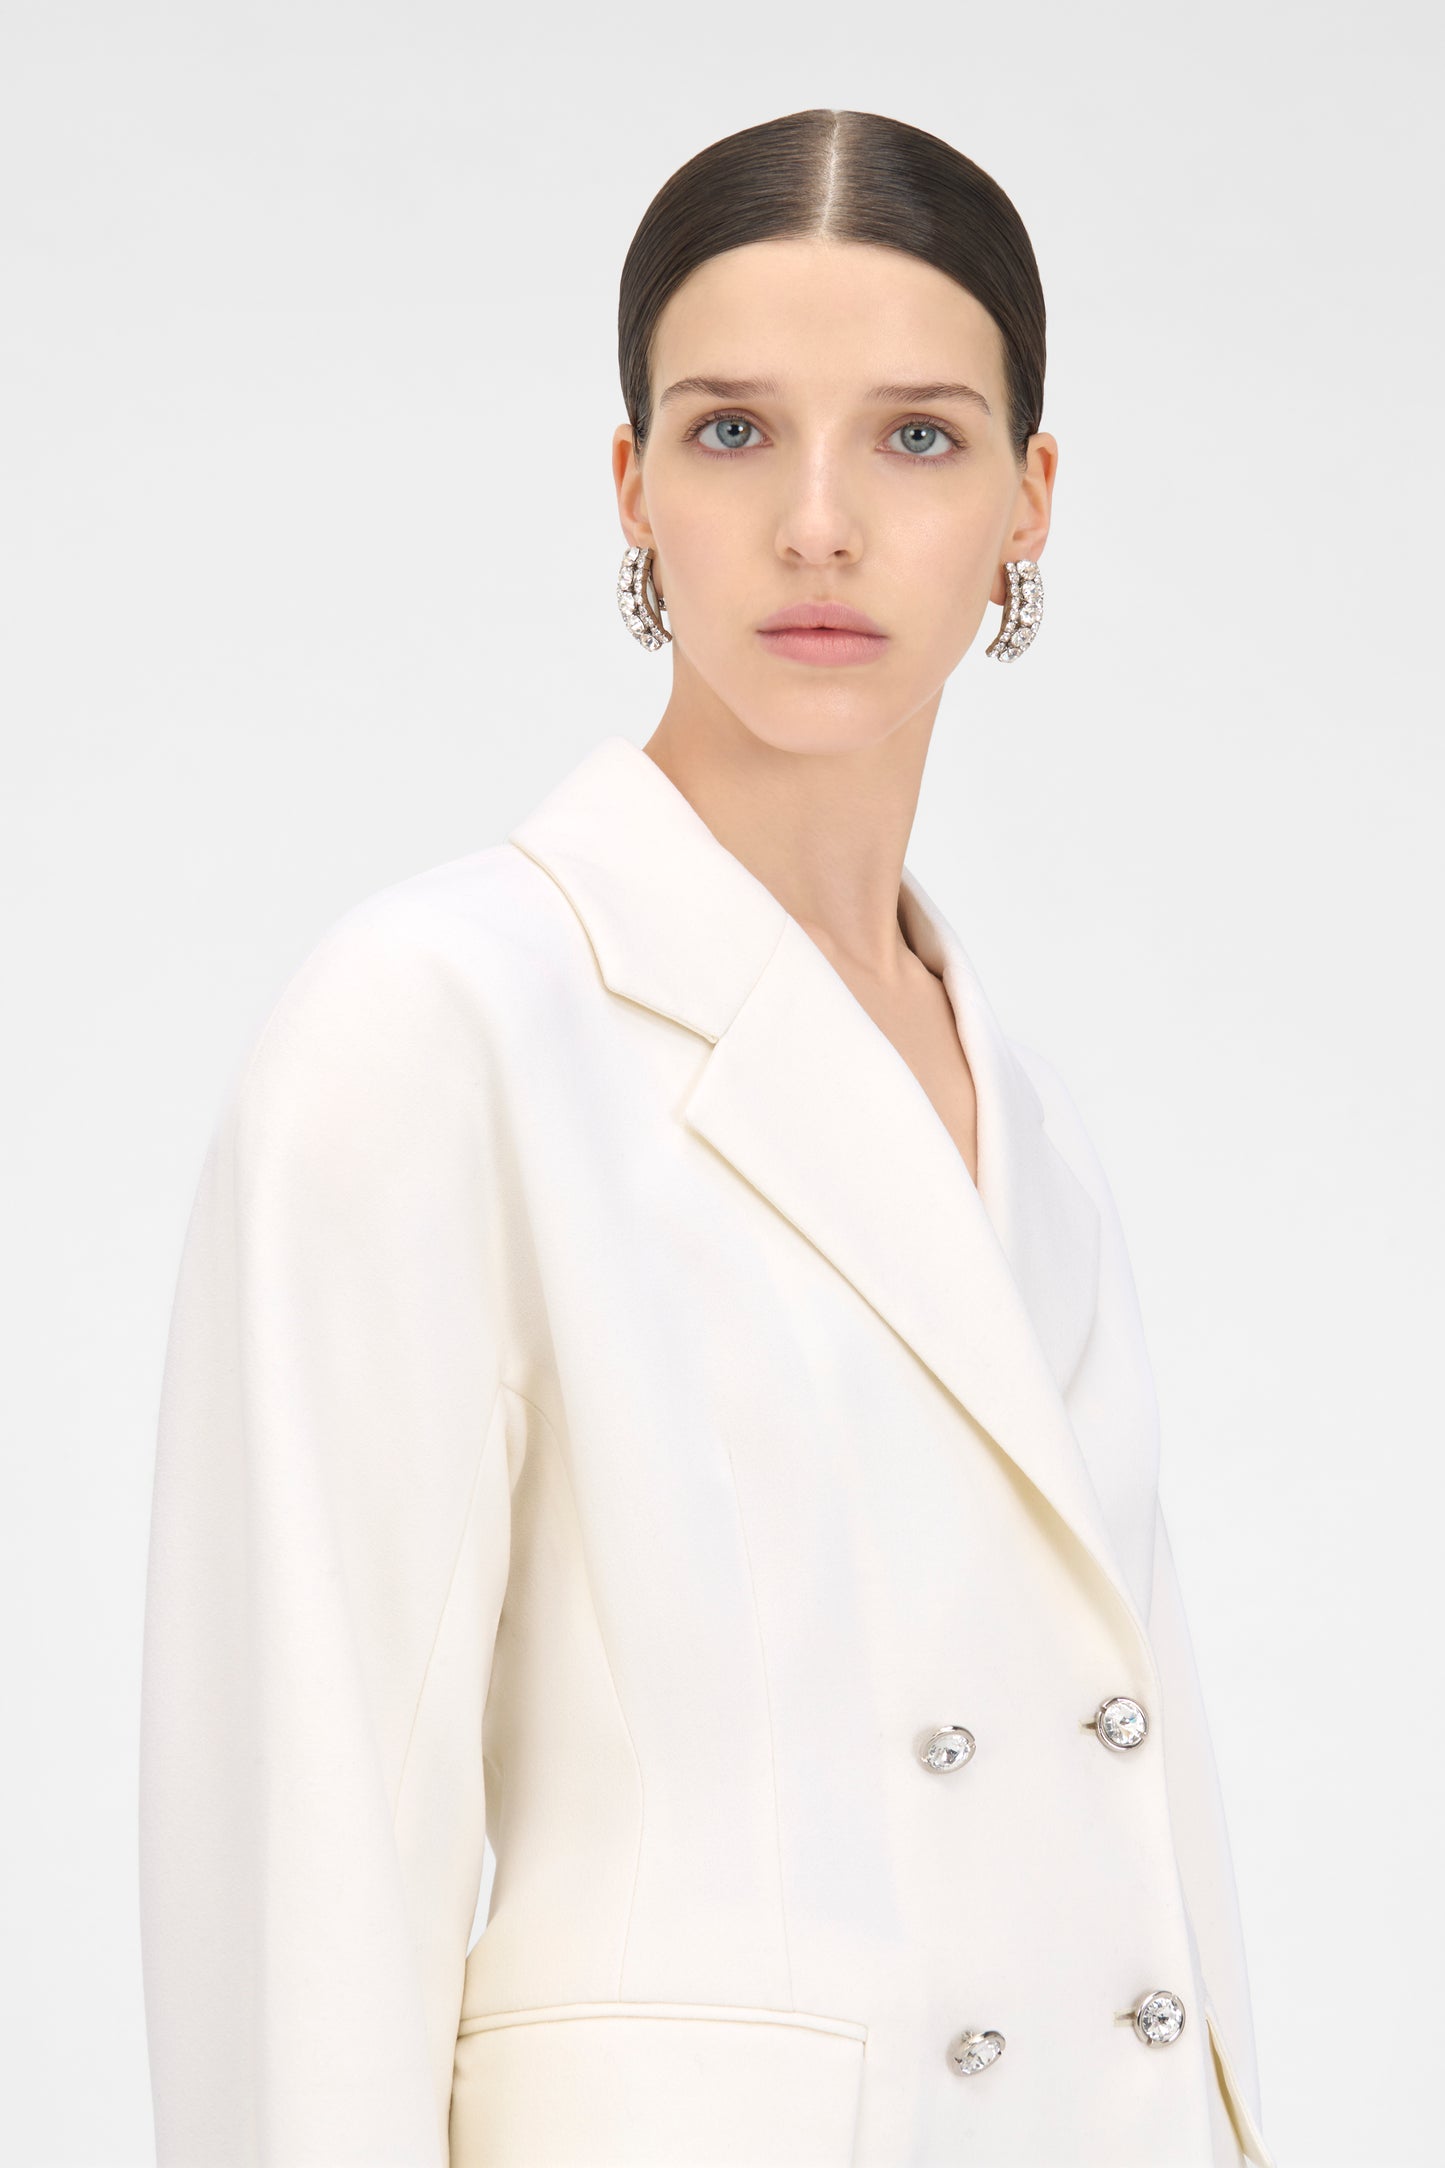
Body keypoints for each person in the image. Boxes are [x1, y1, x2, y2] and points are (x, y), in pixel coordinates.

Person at [139, 107, 1277, 2168]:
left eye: (915, 437)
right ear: (633, 487)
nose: (817, 524)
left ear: (1028, 502)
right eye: (734, 431)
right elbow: (311, 1838)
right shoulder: (437, 1024)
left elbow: (1143, 1842)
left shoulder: (1030, 1122)